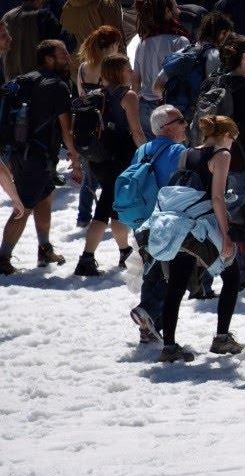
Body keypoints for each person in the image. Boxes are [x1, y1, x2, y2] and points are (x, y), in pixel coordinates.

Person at [152, 114, 240, 362]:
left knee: (177, 284)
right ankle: (222, 338)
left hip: (180, 225)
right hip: (203, 227)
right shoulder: (222, 155)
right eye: (233, 138)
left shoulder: (186, 153)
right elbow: (217, 199)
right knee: (232, 277)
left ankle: (169, 346)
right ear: (226, 135)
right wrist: (226, 236)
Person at [0, 39, 83, 274]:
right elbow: (66, 130)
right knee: (23, 206)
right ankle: (3, 257)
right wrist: (76, 161)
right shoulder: (56, 86)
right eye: (63, 53)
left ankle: (44, 247)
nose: (68, 57)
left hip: (22, 152)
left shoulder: (25, 79)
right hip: (37, 156)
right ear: (49, 58)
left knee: (45, 197)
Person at [74, 53, 143, 276]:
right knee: (104, 210)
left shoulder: (97, 94)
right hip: (120, 158)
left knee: (115, 207)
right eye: (128, 69)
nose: (131, 72)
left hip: (99, 158)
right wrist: (148, 153)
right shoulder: (128, 95)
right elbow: (136, 131)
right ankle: (86, 258)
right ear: (118, 72)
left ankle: (124, 250)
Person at [126, 106, 188, 341]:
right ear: (166, 127)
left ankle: (148, 329)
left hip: (140, 218)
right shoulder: (177, 150)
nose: (185, 124)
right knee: (169, 272)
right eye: (180, 120)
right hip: (165, 221)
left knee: (150, 270)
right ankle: (148, 311)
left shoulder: (142, 149)